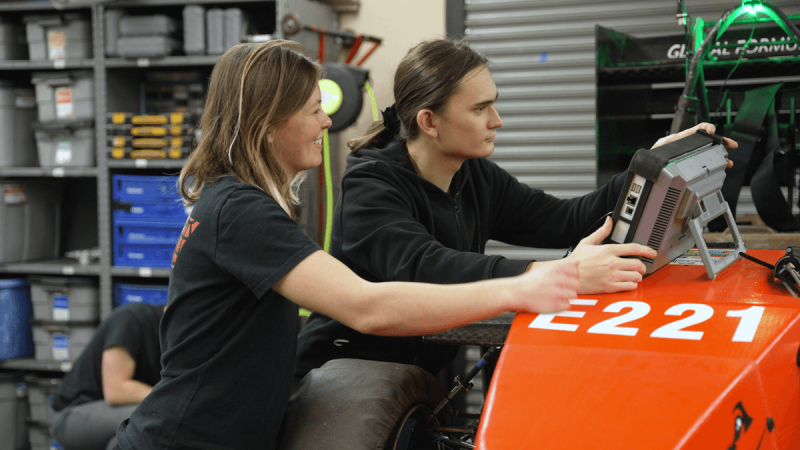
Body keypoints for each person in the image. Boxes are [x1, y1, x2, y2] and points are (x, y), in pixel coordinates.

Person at [114, 40, 582, 450]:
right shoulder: (240, 210)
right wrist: (521, 286)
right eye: (313, 109)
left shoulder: (235, 202)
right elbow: (367, 307)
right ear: (268, 122)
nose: (325, 122)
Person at [295, 39, 738, 381]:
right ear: (430, 122)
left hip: (417, 377)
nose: (497, 120)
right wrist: (557, 275)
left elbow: (562, 220)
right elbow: (427, 268)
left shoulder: (473, 175)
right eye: (480, 108)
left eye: (494, 103)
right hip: (345, 376)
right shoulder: (371, 184)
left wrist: (647, 169)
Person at [48, 302, 164, 450]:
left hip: (116, 417)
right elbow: (115, 390)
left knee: (125, 439)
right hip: (72, 414)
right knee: (153, 418)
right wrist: (169, 397)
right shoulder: (131, 318)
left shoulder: (180, 342)